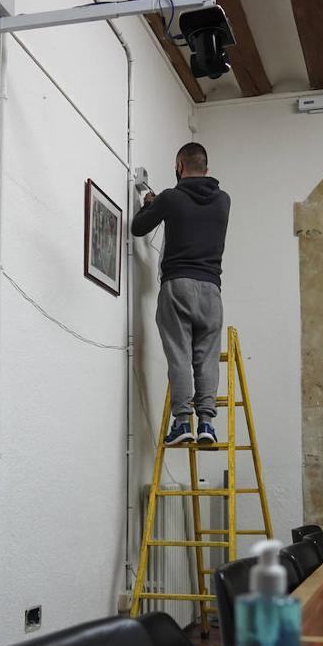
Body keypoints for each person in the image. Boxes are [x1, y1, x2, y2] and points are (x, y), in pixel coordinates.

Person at [132, 142, 230, 445]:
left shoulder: (171, 198)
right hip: (212, 291)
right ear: (207, 169)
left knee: (180, 355)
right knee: (207, 358)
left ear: (179, 165)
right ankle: (207, 424)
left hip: (178, 285)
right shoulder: (223, 200)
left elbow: (138, 228)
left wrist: (151, 203)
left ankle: (182, 422)